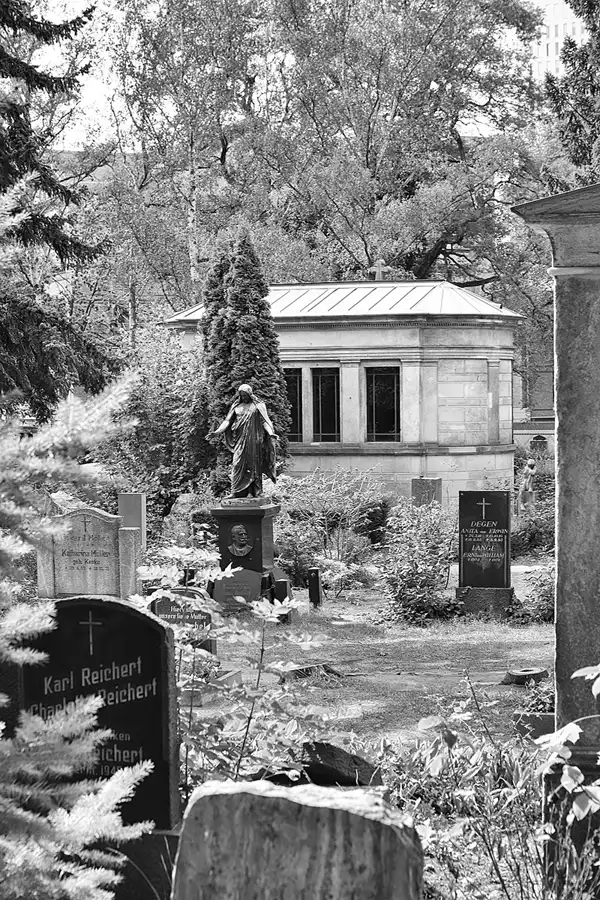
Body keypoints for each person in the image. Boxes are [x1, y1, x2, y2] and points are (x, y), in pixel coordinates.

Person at [208, 384, 278, 498]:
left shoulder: (258, 406)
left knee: (252, 465)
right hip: (240, 440)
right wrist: (217, 431)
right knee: (236, 464)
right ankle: (235, 492)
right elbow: (227, 421)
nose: (243, 397)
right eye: (241, 395)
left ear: (250, 394)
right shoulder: (236, 406)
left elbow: (265, 421)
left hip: (254, 441)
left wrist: (271, 433)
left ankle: (252, 492)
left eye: (245, 395)